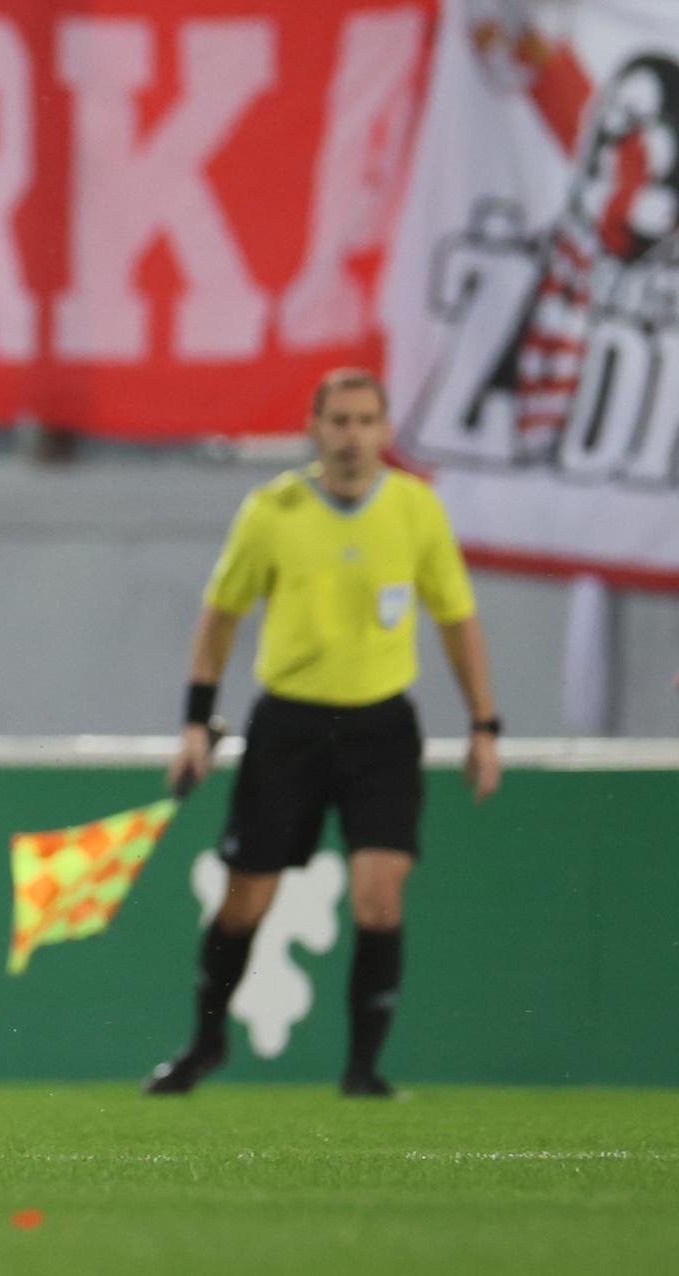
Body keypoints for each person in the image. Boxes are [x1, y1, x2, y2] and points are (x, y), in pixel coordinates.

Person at [146, 368, 502, 1099]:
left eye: (367, 420)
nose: (352, 436)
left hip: (381, 726)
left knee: (381, 890)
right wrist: (194, 721)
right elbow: (220, 617)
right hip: (291, 725)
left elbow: (457, 619)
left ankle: (363, 1069)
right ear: (315, 429)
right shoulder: (272, 511)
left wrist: (484, 725)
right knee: (249, 896)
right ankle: (206, 1042)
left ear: (384, 430)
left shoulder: (415, 510)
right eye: (339, 421)